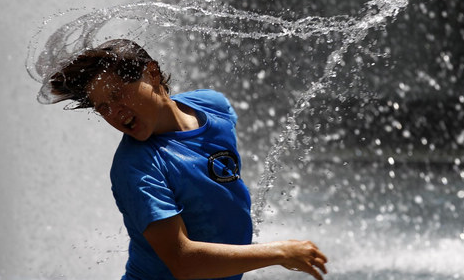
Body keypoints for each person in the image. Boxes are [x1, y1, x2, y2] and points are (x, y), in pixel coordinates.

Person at [47, 38, 328, 280]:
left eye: (118, 95)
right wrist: (280, 252)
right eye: (103, 107)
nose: (114, 113)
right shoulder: (137, 167)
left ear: (152, 73)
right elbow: (183, 261)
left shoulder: (212, 106)